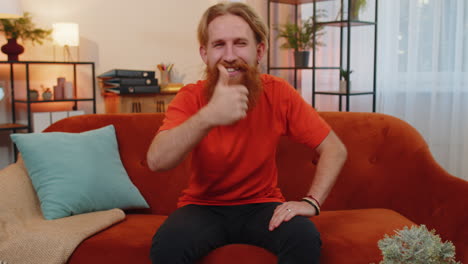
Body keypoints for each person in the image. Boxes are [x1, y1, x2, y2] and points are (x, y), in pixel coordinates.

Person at [146, 2, 347, 263]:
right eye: (219, 45)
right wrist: (208, 116)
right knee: (167, 247)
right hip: (202, 207)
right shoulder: (190, 97)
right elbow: (156, 161)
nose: (230, 56)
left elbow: (335, 149)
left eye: (240, 43)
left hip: (263, 206)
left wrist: (312, 202)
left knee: (304, 238)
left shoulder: (278, 92)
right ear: (204, 53)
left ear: (259, 50)